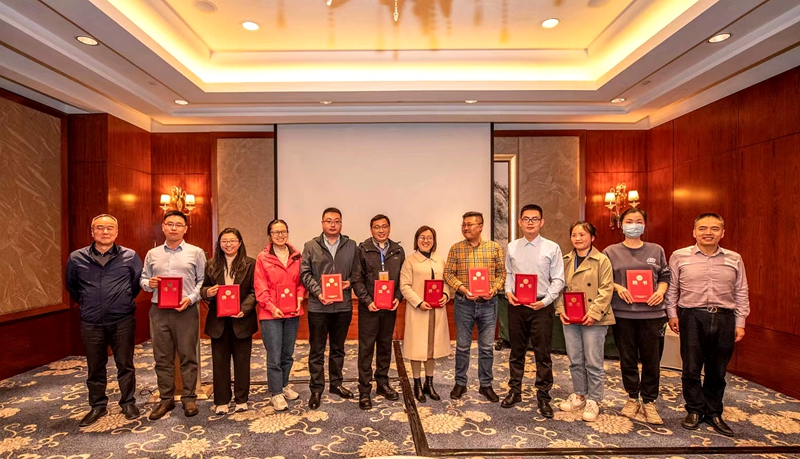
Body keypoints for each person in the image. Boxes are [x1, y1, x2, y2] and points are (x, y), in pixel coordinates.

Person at [666, 213, 749, 437]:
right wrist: (672, 314)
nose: (708, 233)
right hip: (692, 316)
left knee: (717, 370)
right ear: (694, 232)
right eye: (702, 228)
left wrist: (740, 322)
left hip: (725, 318)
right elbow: (672, 289)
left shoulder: (734, 258)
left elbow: (741, 291)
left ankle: (713, 412)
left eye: (714, 228)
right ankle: (694, 409)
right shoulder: (679, 256)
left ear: (722, 233)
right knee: (691, 368)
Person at [65, 214, 143, 427]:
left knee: (125, 364)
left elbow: (135, 284)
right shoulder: (76, 258)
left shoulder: (130, 256)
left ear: (117, 232)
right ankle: (97, 405)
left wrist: (121, 301)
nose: (105, 232)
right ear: (92, 232)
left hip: (122, 319)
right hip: (91, 321)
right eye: (100, 228)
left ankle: (128, 402)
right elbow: (72, 287)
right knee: (95, 366)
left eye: (109, 228)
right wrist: (89, 302)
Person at [603, 208, 670, 424]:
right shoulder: (610, 252)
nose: (634, 225)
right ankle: (632, 397)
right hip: (624, 314)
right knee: (628, 358)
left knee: (652, 360)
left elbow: (665, 275)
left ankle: (649, 401)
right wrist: (618, 287)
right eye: (629, 221)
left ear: (644, 225)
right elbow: (604, 279)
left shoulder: (656, 250)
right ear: (621, 225)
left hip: (652, 314)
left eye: (638, 221)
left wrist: (660, 291)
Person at [141, 210, 206, 420]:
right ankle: (166, 399)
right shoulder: (152, 254)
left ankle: (189, 398)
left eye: (179, 225)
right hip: (159, 311)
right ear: (163, 227)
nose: (174, 228)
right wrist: (149, 284)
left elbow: (202, 280)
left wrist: (191, 298)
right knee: (162, 357)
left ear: (185, 229)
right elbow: (143, 279)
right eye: (170, 224)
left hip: (185, 310)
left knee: (188, 356)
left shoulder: (196, 252)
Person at [502, 204, 564, 418]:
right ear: (520, 222)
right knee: (516, 351)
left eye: (534, 219)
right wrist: (508, 292)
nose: (530, 222)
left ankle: (544, 396)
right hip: (517, 306)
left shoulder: (552, 248)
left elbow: (558, 279)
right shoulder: (512, 247)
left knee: (542, 353)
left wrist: (545, 301)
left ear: (541, 222)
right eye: (526, 219)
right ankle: (515, 391)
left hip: (541, 307)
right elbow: (509, 274)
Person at [444, 211, 506, 402]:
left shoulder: (494, 248)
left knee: (486, 347)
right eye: (463, 224)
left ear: (480, 226)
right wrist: (462, 288)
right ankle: (460, 383)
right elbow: (448, 274)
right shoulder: (456, 249)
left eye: (469, 224)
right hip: (464, 304)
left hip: (488, 304)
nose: (465, 228)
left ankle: (485, 385)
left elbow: (502, 273)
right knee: (462, 347)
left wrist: (494, 289)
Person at [300, 207, 358, 410]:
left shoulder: (351, 245)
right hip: (318, 307)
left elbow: (358, 272)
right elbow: (305, 273)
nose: (333, 224)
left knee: (338, 348)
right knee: (316, 349)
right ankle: (316, 389)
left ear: (341, 224)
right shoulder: (310, 245)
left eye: (336, 221)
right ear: (322, 223)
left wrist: (349, 282)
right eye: (328, 221)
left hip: (342, 306)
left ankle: (336, 384)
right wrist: (319, 293)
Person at [556, 221, 614, 422]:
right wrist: (561, 310)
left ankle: (594, 400)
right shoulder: (565, 260)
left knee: (593, 361)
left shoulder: (602, 260)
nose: (578, 238)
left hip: (594, 319)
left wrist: (594, 313)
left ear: (592, 238)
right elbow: (559, 287)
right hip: (570, 318)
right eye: (574, 235)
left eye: (582, 234)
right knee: (575, 359)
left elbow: (606, 289)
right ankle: (579, 395)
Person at [200, 228, 257, 415]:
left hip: (242, 320)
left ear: (239, 243)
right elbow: (203, 288)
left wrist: (244, 309)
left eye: (232, 241)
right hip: (218, 321)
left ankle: (241, 399)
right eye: (224, 241)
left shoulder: (251, 264)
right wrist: (208, 292)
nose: (228, 244)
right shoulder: (211, 264)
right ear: (219, 244)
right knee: (219, 362)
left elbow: (254, 291)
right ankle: (222, 400)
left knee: (242, 361)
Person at [352, 214, 405, 410]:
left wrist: (398, 297)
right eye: (377, 227)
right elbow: (356, 279)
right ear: (371, 229)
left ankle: (382, 383)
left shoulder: (398, 250)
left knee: (385, 346)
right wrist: (367, 301)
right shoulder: (362, 249)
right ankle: (364, 390)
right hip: (370, 308)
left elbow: (403, 278)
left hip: (389, 307)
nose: (381, 230)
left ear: (389, 228)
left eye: (384, 226)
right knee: (366, 349)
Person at [255, 219, 305, 411]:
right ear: (270, 235)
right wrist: (271, 306)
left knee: (288, 353)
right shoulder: (263, 258)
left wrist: (299, 298)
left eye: (283, 231)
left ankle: (284, 385)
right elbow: (260, 287)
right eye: (276, 232)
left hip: (292, 311)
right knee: (274, 355)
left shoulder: (297, 256)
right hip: (271, 314)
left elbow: (301, 282)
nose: (280, 235)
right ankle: (276, 392)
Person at [400, 225, 451, 403]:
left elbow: (446, 282)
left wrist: (445, 295)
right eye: (422, 237)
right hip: (418, 311)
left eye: (429, 237)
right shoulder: (410, 261)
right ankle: (417, 383)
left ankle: (429, 383)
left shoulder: (439, 260)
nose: (426, 240)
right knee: (417, 349)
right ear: (417, 240)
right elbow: (404, 286)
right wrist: (419, 302)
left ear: (434, 240)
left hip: (437, 311)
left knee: (432, 349)